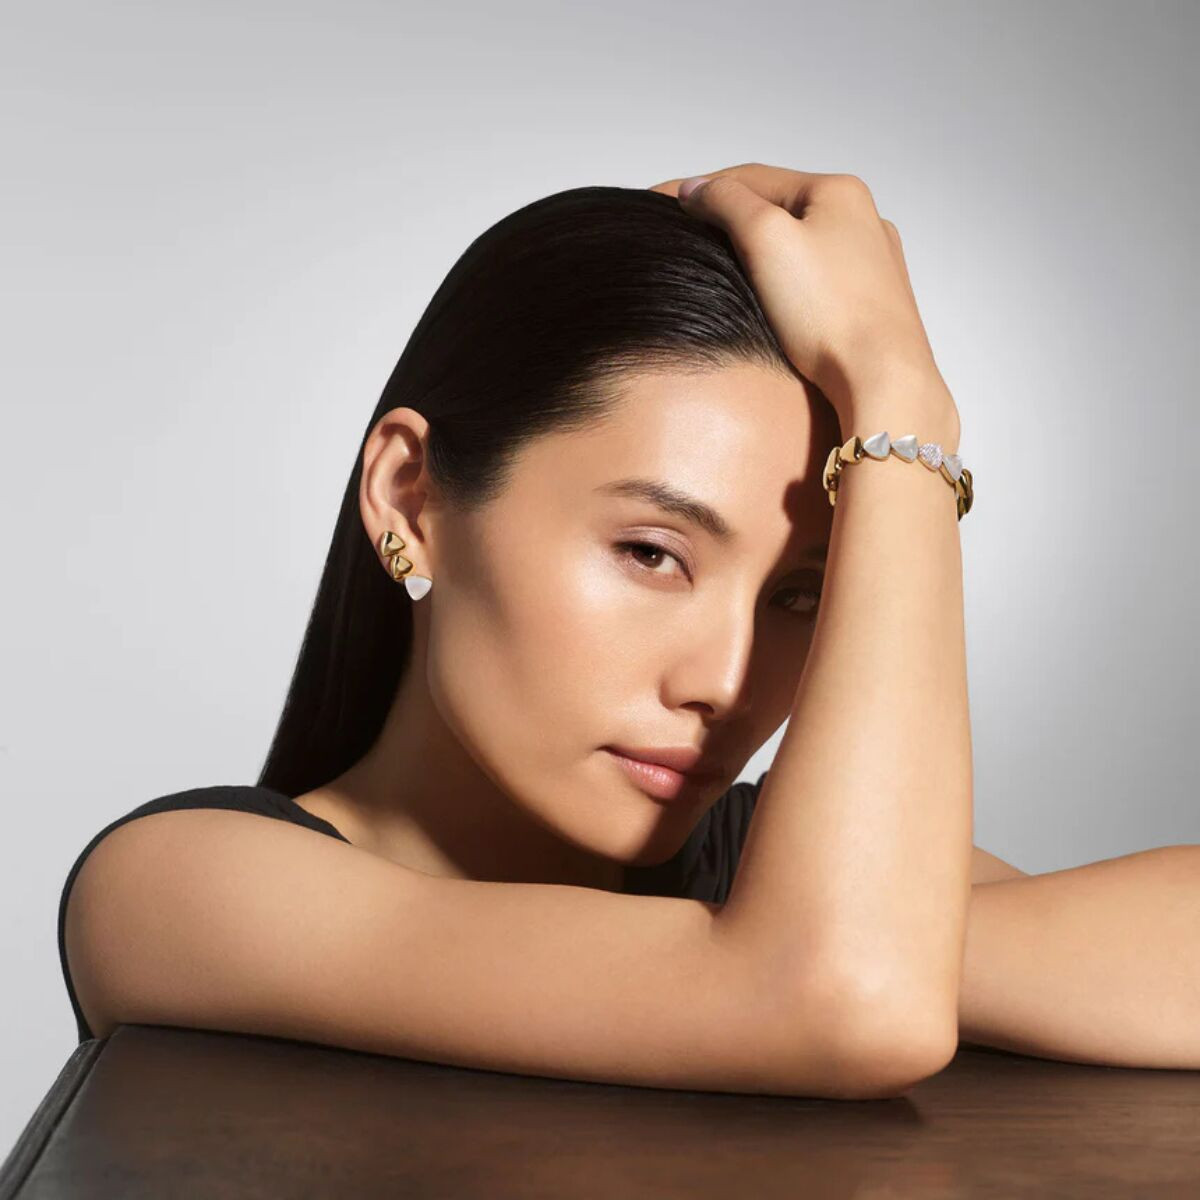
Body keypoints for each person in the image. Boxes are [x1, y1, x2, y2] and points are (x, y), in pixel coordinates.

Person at [58, 164, 1199, 1102]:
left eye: (802, 597)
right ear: (411, 497)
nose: (726, 683)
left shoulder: (777, 881)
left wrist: (851, 925)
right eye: (652, 553)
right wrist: (908, 416)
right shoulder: (175, 887)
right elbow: (852, 997)